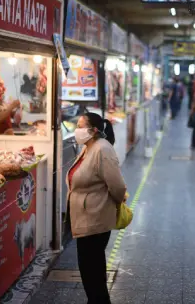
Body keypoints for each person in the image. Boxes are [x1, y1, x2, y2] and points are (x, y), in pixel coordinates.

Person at [67, 112, 127, 304]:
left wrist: (118, 201)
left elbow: (117, 186)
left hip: (95, 218)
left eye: (79, 125)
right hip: (85, 217)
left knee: (92, 271)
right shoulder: (88, 147)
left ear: (93, 130)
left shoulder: (103, 149)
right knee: (90, 270)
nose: (76, 130)